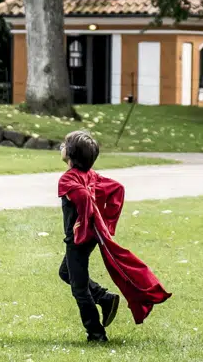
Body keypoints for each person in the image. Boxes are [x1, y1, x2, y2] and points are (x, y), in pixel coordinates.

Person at [57, 130, 170, 342]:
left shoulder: (68, 180)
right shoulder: (90, 175)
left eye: (64, 144)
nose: (61, 147)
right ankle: (104, 297)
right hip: (88, 237)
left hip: (78, 240)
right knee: (65, 272)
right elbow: (117, 189)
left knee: (79, 290)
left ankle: (96, 334)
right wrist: (105, 224)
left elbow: (84, 199)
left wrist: (84, 228)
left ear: (71, 155)